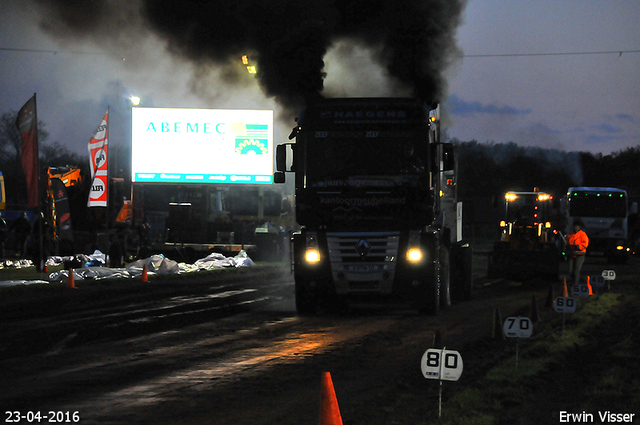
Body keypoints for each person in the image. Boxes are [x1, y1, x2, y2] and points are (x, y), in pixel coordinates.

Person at [566, 219, 589, 285]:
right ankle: (574, 280)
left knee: (576, 270)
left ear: (579, 227)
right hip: (571, 254)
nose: (576, 227)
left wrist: (578, 247)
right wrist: (567, 246)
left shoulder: (583, 234)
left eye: (577, 226)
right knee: (570, 270)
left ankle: (575, 284)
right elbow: (566, 242)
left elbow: (585, 244)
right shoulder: (570, 234)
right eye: (575, 226)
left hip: (580, 254)